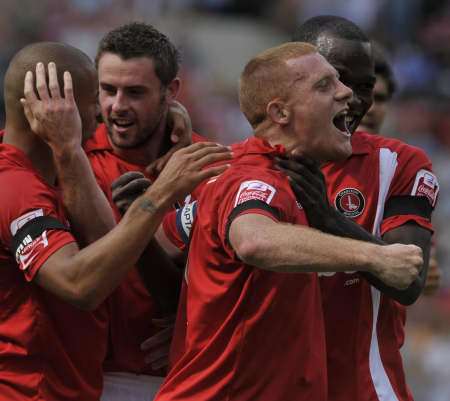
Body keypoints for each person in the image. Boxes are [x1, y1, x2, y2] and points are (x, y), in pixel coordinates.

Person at [153, 42, 423, 401]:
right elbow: (254, 240)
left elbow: (164, 237)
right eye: (324, 86)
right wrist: (375, 257)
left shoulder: (243, 171)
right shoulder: (257, 178)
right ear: (280, 113)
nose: (346, 94)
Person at [0, 41, 230, 401]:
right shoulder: (15, 188)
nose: (106, 111)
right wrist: (159, 195)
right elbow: (81, 285)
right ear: (57, 106)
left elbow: (109, 249)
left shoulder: (55, 170)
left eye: (135, 92)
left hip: (77, 385)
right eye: (99, 95)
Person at [271, 15, 438, 401]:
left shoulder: (399, 164)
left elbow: (409, 284)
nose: (354, 98)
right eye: (338, 81)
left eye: (366, 87)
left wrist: (327, 217)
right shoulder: (244, 165)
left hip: (362, 389)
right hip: (271, 385)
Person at [83, 22, 203, 399]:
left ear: (172, 92)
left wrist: (194, 320)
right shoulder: (69, 158)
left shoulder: (207, 165)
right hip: (85, 379)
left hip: (180, 380)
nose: (116, 106)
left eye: (135, 92)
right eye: (107, 90)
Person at [358, 41, 441, 296]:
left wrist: (421, 268)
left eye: (380, 98)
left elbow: (417, 275)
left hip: (374, 331)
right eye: (363, 95)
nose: (370, 108)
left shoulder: (406, 169)